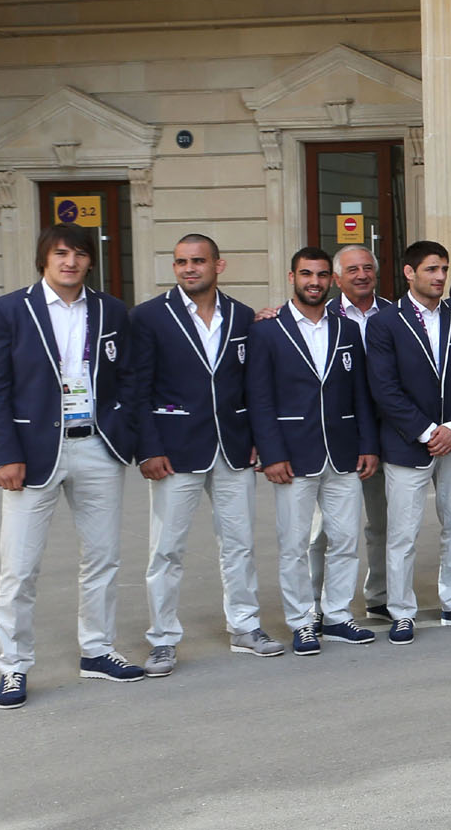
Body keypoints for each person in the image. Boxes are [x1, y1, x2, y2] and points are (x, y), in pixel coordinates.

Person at [0, 226, 146, 707]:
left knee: (103, 558)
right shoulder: (7, 311)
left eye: (79, 254)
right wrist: (4, 455)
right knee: (20, 567)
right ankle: (13, 666)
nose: (70, 261)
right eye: (60, 253)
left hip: (97, 448)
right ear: (44, 259)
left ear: (91, 261)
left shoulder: (111, 310)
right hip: (32, 453)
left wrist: (123, 430)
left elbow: (129, 377)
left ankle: (97, 650)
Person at [130, 233, 283, 676]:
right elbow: (137, 389)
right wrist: (148, 449)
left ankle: (245, 626)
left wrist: (258, 439)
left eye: (198, 261)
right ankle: (162, 640)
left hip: (233, 447)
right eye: (181, 262)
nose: (189, 269)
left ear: (219, 265)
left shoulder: (242, 316)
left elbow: (253, 385)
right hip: (174, 450)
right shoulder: (149, 316)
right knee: (166, 550)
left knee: (240, 544)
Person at [248, 247, 382, 654]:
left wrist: (368, 444)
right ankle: (302, 620)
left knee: (345, 539)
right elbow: (259, 398)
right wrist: (271, 453)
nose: (314, 282)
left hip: (343, 452)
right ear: (292, 277)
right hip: (292, 454)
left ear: (331, 281)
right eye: (306, 274)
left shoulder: (346, 329)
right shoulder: (268, 330)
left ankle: (338, 615)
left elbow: (360, 393)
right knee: (295, 544)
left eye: (322, 275)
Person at [367, 240, 451, 644]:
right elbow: (384, 388)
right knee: (403, 534)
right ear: (409, 273)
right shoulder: (385, 322)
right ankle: (402, 611)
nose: (439, 277)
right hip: (407, 444)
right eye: (431, 269)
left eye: (443, 269)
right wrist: (426, 431)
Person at [325, 244, 394, 619]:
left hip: (387, 432)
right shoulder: (323, 316)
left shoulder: (396, 314)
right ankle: (318, 604)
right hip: (336, 436)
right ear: (337, 279)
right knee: (324, 530)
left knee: (382, 522)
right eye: (352, 270)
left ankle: (379, 595)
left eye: (367, 267)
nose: (362, 275)